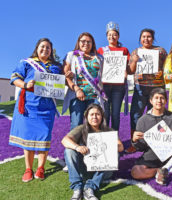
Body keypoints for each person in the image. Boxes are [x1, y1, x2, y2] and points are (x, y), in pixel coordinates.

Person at [9, 38, 62, 182]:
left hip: (46, 108)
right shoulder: (26, 62)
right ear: (37, 48)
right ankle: (28, 169)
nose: (45, 50)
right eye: (42, 47)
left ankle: (41, 168)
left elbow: (62, 82)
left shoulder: (56, 66)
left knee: (44, 137)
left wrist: (68, 76)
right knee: (28, 139)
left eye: (48, 48)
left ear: (51, 51)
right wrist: (25, 84)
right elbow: (14, 78)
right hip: (29, 106)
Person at [131, 88, 172, 186]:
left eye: (162, 98)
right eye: (156, 98)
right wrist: (135, 140)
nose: (159, 101)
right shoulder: (142, 120)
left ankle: (168, 166)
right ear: (151, 101)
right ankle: (169, 169)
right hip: (153, 155)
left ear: (166, 100)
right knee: (135, 172)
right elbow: (141, 148)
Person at [61, 103, 124, 200]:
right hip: (84, 169)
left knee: (115, 153)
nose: (94, 117)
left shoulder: (108, 130)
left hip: (102, 171)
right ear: (86, 117)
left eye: (97, 114)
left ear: (102, 116)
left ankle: (90, 187)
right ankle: (77, 188)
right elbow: (65, 140)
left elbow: (121, 147)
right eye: (91, 114)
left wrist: (108, 146)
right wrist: (78, 147)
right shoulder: (81, 128)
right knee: (69, 151)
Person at [126, 28, 168, 153]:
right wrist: (134, 60)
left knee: (158, 115)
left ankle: (158, 142)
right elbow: (130, 71)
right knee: (136, 115)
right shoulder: (136, 52)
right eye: (143, 37)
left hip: (157, 88)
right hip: (140, 87)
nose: (146, 39)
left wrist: (162, 73)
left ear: (153, 38)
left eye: (149, 36)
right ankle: (135, 143)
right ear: (140, 39)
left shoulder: (160, 51)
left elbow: (168, 68)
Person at [62, 32, 104, 130]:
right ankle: (74, 145)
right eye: (83, 41)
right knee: (77, 125)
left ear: (93, 44)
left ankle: (94, 145)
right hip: (77, 96)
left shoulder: (99, 57)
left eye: (89, 41)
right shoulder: (71, 55)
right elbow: (65, 76)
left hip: (94, 96)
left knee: (96, 125)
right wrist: (76, 89)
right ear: (78, 42)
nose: (86, 43)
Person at [97, 21, 130, 132]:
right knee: (105, 113)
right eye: (109, 35)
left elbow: (128, 66)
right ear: (106, 36)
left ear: (118, 36)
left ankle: (115, 138)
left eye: (114, 34)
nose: (112, 37)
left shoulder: (124, 50)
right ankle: (105, 137)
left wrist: (126, 71)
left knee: (115, 114)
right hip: (105, 86)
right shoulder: (101, 50)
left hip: (118, 86)